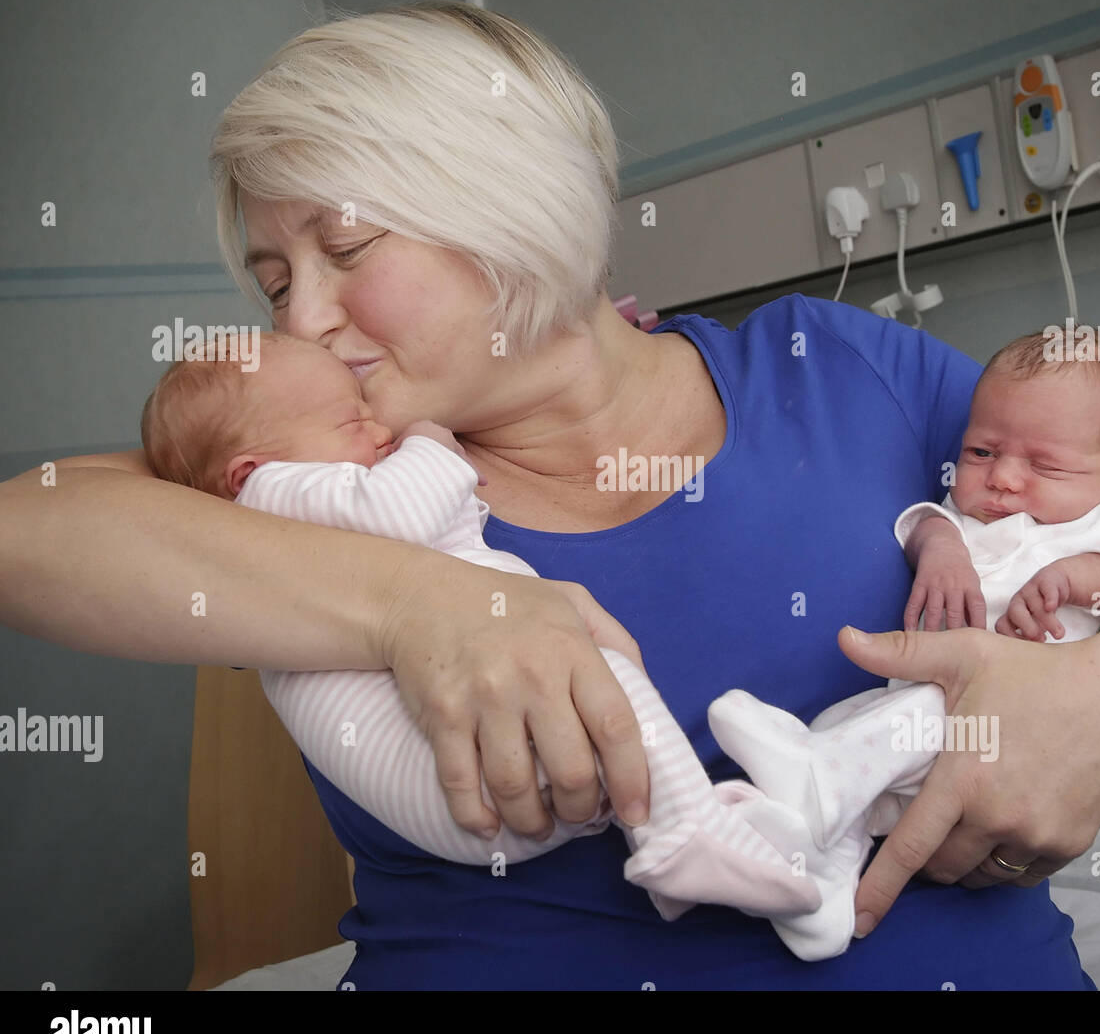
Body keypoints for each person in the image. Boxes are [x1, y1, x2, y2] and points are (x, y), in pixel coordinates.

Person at [0, 0, 1100, 990]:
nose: (308, 316)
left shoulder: (843, 374)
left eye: (343, 250)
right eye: (276, 280)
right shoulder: (321, 478)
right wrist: (419, 605)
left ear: (507, 203)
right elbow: (28, 530)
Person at [140, 332, 823, 923]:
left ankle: (736, 816)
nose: (379, 429)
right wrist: (434, 446)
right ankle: (684, 831)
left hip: (489, 779)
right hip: (464, 778)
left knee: (586, 676)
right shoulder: (268, 500)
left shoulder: (285, 500)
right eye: (350, 421)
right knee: (594, 671)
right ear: (247, 471)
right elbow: (399, 513)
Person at [709, 330, 1100, 959]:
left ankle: (811, 776)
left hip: (1005, 723)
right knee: (859, 721)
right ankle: (822, 883)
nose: (1000, 478)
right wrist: (941, 546)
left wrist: (1086, 577)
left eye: (1045, 465)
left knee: (908, 724)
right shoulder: (974, 510)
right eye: (979, 450)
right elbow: (928, 518)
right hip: (924, 704)